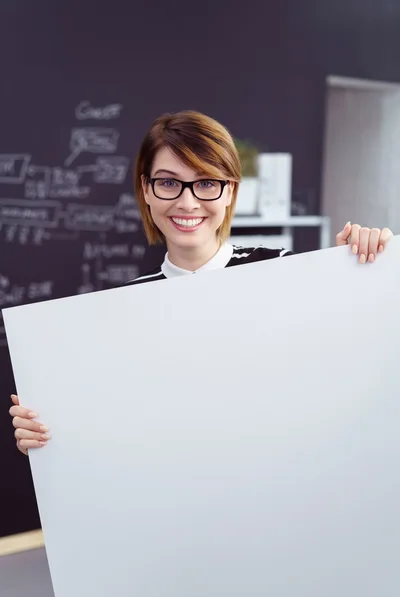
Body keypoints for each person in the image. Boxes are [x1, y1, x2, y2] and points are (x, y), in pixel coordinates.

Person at [9, 109, 394, 455]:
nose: (188, 202)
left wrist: (364, 270)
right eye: (169, 183)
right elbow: (107, 422)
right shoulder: (122, 307)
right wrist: (45, 439)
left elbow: (348, 372)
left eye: (207, 183)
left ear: (230, 192)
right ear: (146, 190)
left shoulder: (282, 273)